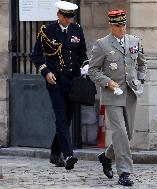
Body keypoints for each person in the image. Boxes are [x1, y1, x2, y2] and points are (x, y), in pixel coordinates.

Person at [88, 10, 147, 186]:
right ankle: (125, 172)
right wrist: (108, 82)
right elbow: (93, 70)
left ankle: (106, 157)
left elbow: (142, 62)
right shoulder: (102, 44)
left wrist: (140, 79)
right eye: (118, 25)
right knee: (120, 132)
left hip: (130, 93)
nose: (122, 28)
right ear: (111, 26)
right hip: (112, 95)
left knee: (127, 134)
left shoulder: (134, 40)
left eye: (124, 25)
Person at [31, 1, 88, 170]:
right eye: (66, 17)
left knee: (67, 119)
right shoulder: (47, 31)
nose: (68, 20)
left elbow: (82, 52)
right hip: (55, 81)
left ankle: (55, 153)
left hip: (73, 81)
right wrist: (46, 72)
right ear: (58, 15)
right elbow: (36, 56)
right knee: (61, 117)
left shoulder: (77, 29)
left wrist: (85, 65)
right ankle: (68, 154)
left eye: (71, 17)